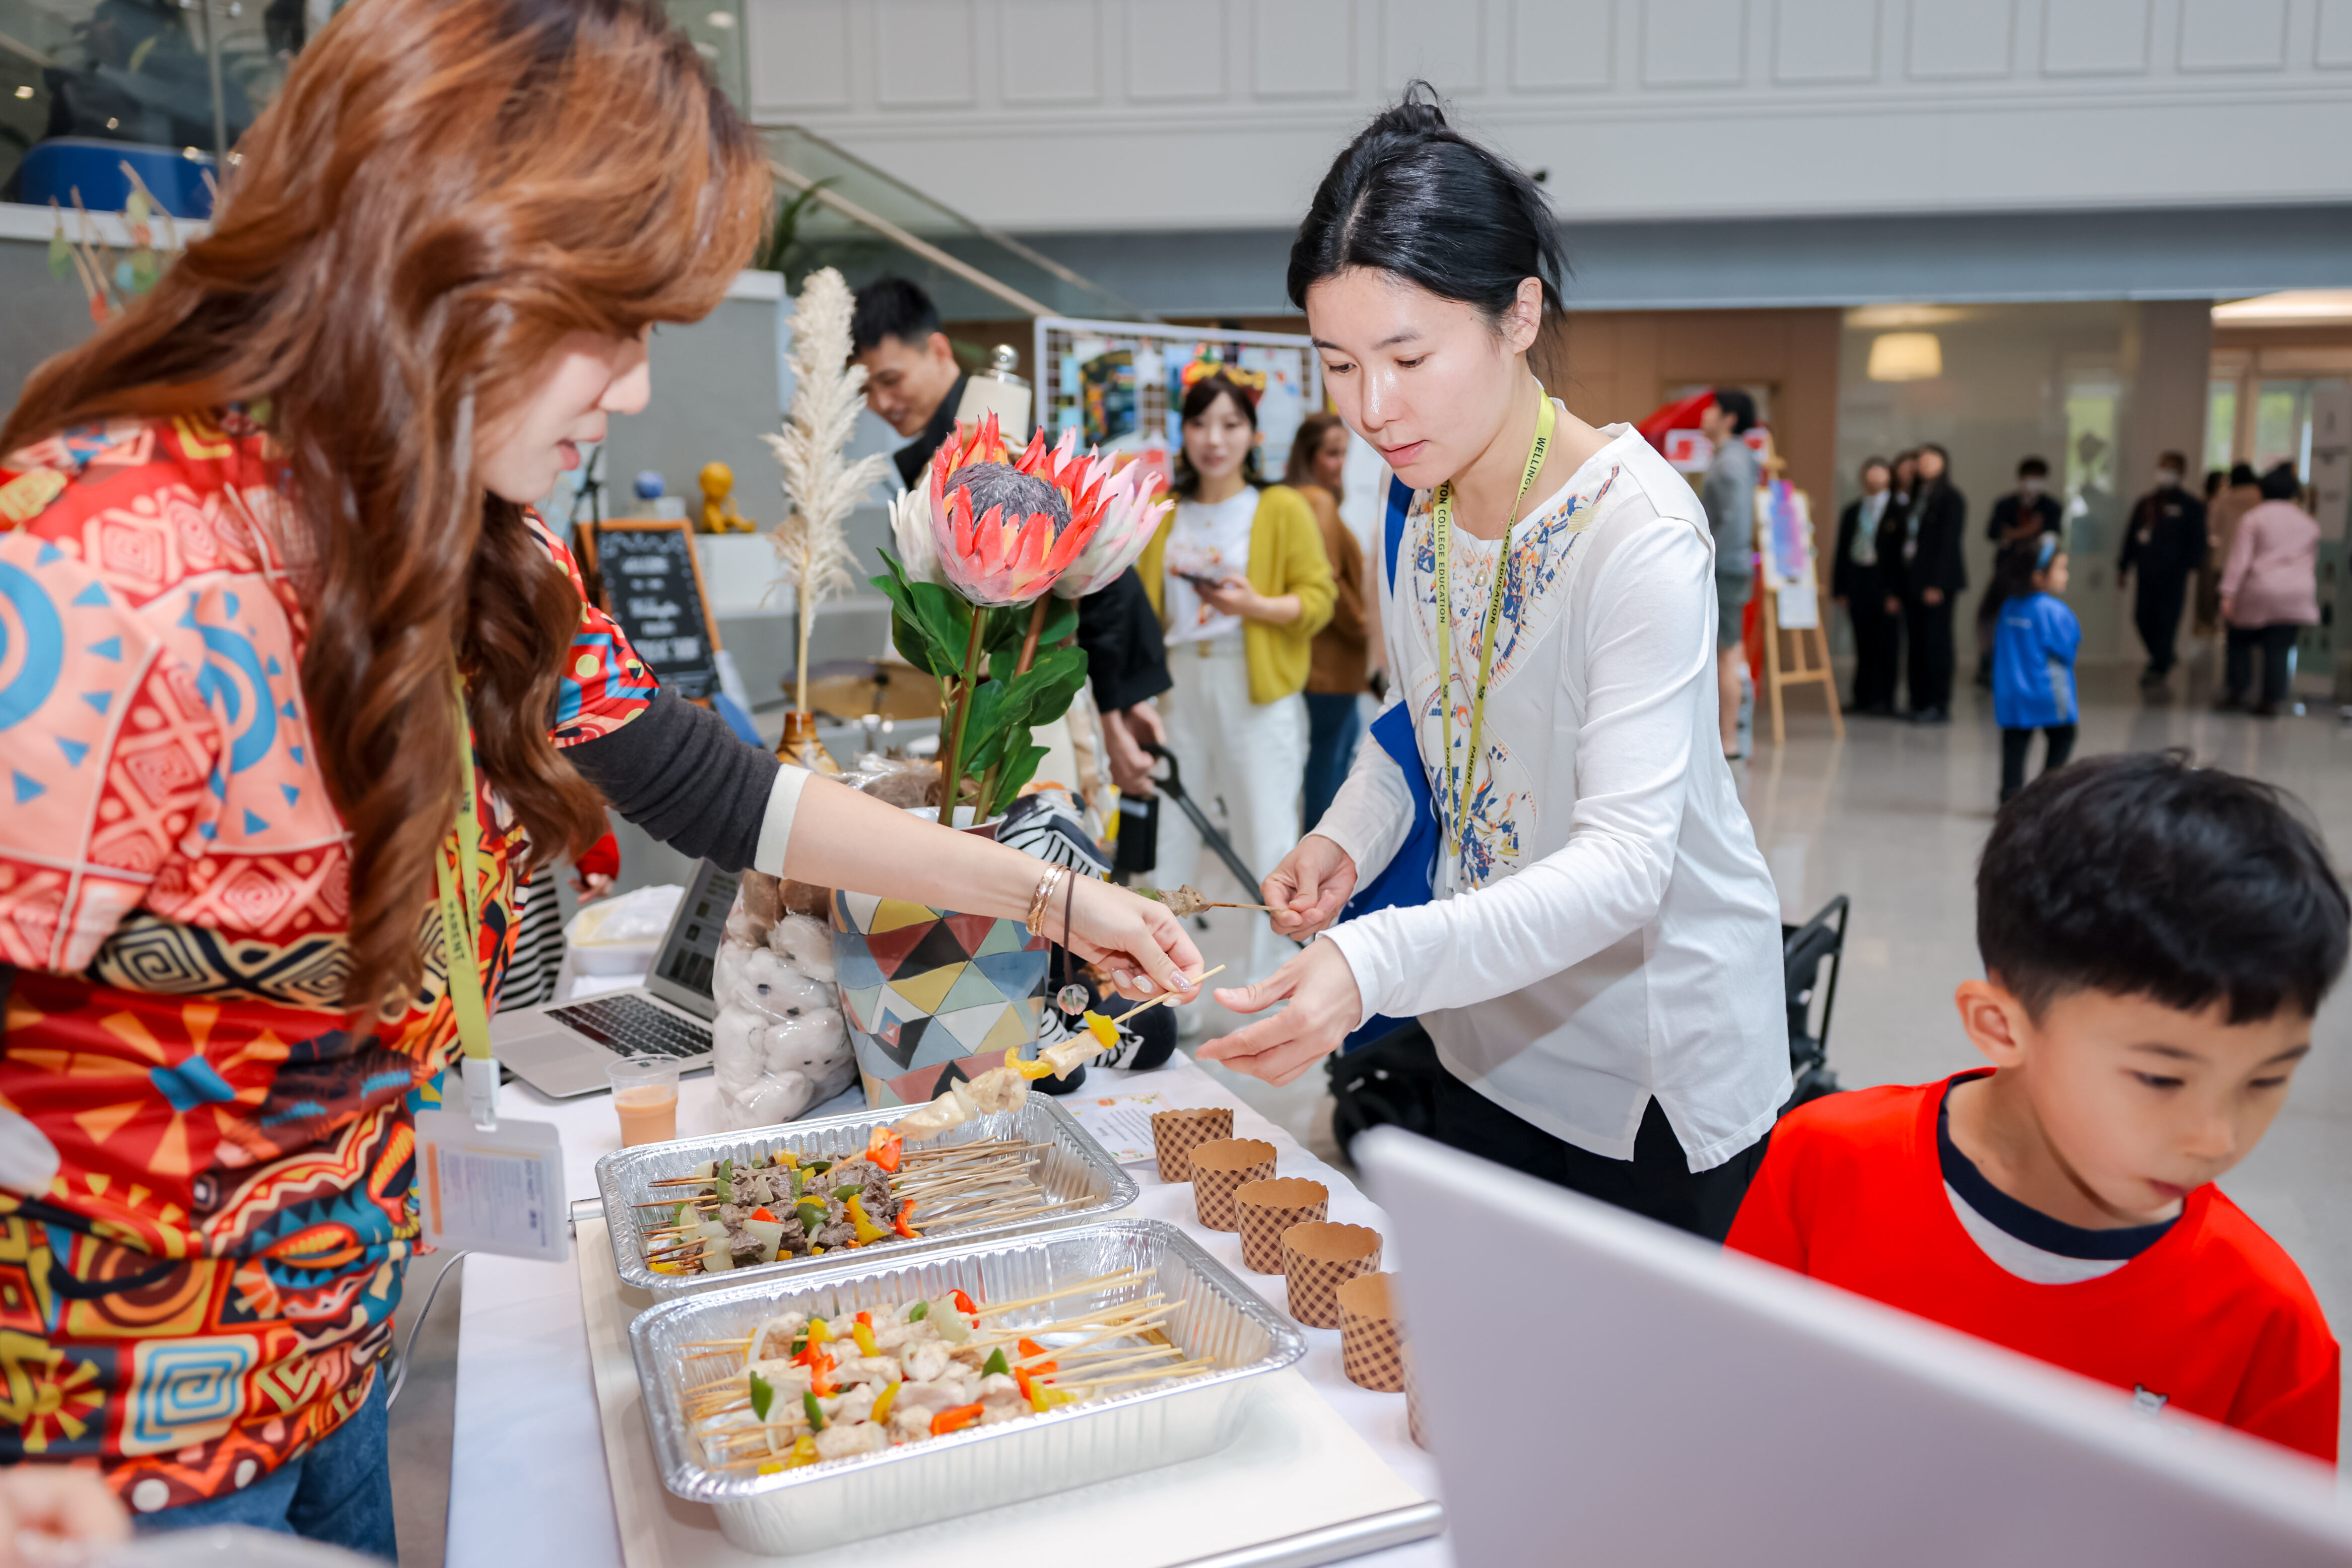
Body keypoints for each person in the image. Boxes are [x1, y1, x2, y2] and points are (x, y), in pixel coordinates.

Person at [0, 4, 1197, 1552]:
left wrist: (1049, 894)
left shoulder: (479, 549)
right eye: (614, 324)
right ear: (445, 261)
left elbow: (719, 791)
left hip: (335, 1363)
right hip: (93, 1451)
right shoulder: (98, 573)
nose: (633, 389)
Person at [1201, 87, 1789, 1241]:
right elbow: (1425, 721)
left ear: (1519, 314)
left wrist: (1374, 957)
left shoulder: (1637, 532)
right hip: (1479, 1026)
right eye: (1338, 364)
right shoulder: (1419, 498)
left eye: (1409, 355)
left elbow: (1625, 866)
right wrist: (1349, 835)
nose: (1374, 407)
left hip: (1648, 1071)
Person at [1729, 752, 2344, 1465]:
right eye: (2160, 1079)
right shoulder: (1823, 1164)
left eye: (2266, 1080)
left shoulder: (2269, 1325)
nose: (2216, 1138)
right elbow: (1728, 1418)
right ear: (2000, 1026)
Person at [850, 276, 1171, 795]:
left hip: (1024, 722)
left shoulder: (1011, 458)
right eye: (866, 389)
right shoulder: (943, 456)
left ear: (938, 350)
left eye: (890, 379)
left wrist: (1118, 707)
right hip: (972, 717)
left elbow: (1105, 581)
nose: (882, 401)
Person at [1136, 373, 1334, 986]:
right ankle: (1165, 985)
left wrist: (1254, 606)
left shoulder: (1279, 507)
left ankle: (1271, 983)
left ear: (1253, 434)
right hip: (1176, 687)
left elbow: (1318, 599)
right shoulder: (1164, 510)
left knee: (1266, 837)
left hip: (1256, 690)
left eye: (1229, 424)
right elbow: (1140, 608)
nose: (1213, 439)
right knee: (1171, 834)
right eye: (1199, 423)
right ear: (1183, 433)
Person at [1287, 411, 1372, 831]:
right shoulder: (1317, 502)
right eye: (1332, 453)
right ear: (1309, 456)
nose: (1342, 463)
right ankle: (1318, 847)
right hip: (1331, 661)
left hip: (1324, 661)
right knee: (1329, 762)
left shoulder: (1298, 500)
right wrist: (1365, 630)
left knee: (1331, 755)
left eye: (1345, 453)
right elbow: (1330, 581)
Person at [2218, 463, 2321, 718]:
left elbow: (2240, 559)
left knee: (2239, 639)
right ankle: (2271, 700)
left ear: (2262, 490)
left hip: (2260, 589)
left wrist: (2228, 593)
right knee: (2279, 647)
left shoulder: (2254, 518)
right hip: (2295, 592)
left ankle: (2238, 689)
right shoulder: (2308, 523)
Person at [1990, 537, 2078, 805]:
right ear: (2039, 576)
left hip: (2012, 694)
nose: (2066, 575)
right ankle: (2046, 795)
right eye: (2061, 569)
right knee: (2064, 736)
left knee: (2015, 744)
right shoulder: (2054, 611)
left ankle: (2010, 799)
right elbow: (2068, 649)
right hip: (2048, 693)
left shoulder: (2008, 607)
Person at [1698, 389, 1759, 758]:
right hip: (1730, 566)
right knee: (1730, 651)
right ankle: (1730, 735)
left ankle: (1729, 739)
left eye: (1713, 410)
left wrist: (1709, 560)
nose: (1705, 415)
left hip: (1726, 569)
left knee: (1727, 653)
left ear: (1729, 419)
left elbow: (1735, 524)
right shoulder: (1733, 457)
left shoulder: (1731, 461)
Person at [1890, 443, 1967, 723]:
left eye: (1931, 460)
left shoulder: (1951, 498)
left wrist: (1936, 583)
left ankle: (1938, 703)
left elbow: (1948, 543)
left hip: (1937, 583)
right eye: (1921, 460)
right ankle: (1918, 701)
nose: (1924, 465)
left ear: (1943, 464)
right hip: (1913, 579)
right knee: (1916, 643)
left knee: (1936, 642)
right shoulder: (1916, 496)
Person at [2117, 450, 2207, 688]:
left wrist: (2191, 566)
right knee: (2141, 617)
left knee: (2167, 621)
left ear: (2181, 473)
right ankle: (2163, 656)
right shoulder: (2146, 503)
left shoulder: (2191, 505)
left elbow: (2198, 540)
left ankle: (2158, 666)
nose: (2165, 473)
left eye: (2171, 469)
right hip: (2146, 572)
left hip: (2173, 575)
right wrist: (2124, 567)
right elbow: (2131, 537)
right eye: (2162, 467)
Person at [1972, 456, 2061, 688]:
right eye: (2030, 477)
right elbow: (1993, 532)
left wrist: (2013, 534)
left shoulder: (2051, 507)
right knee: (1990, 616)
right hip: (2006, 570)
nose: (2033, 483)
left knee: (2031, 619)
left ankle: (2028, 664)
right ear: (2020, 478)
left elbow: (2052, 537)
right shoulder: (2005, 504)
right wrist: (2027, 531)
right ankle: (1989, 663)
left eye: (2038, 478)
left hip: (2035, 573)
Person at [1832, 455, 1900, 716]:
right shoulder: (1853, 511)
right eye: (1871, 472)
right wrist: (1841, 589)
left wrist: (1895, 592)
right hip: (1857, 579)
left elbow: (1899, 556)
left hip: (1883, 582)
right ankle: (1862, 697)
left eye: (1881, 472)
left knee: (1886, 642)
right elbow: (1842, 552)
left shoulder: (1898, 510)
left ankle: (1885, 699)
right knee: (1862, 642)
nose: (1876, 478)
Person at [2201, 462, 2261, 638]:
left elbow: (2213, 528)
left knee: (2226, 600)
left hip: (2226, 557)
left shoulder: (2224, 498)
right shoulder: (2260, 498)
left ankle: (2226, 632)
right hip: (2253, 559)